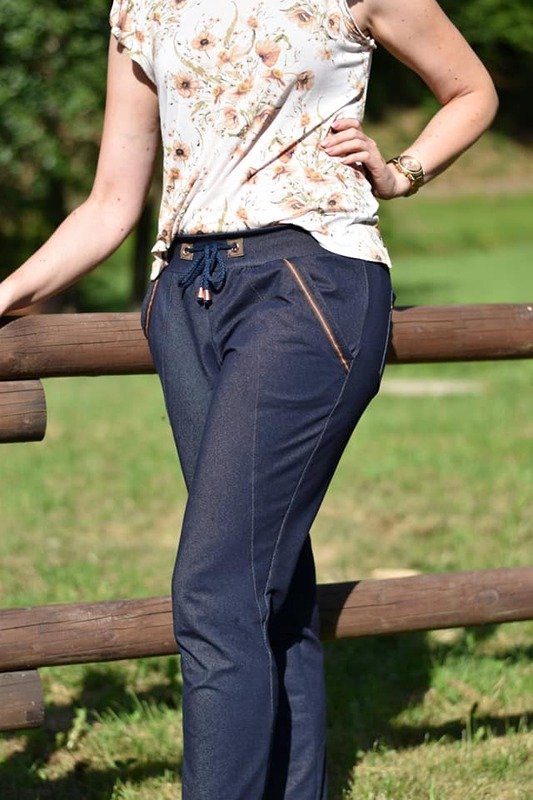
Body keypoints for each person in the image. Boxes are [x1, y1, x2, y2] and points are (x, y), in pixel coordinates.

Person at [0, 0, 497, 797]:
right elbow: (110, 202)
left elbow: (471, 88)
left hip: (307, 280)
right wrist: (6, 293)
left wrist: (402, 171)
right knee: (265, 587)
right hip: (184, 297)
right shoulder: (142, 7)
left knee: (214, 589)